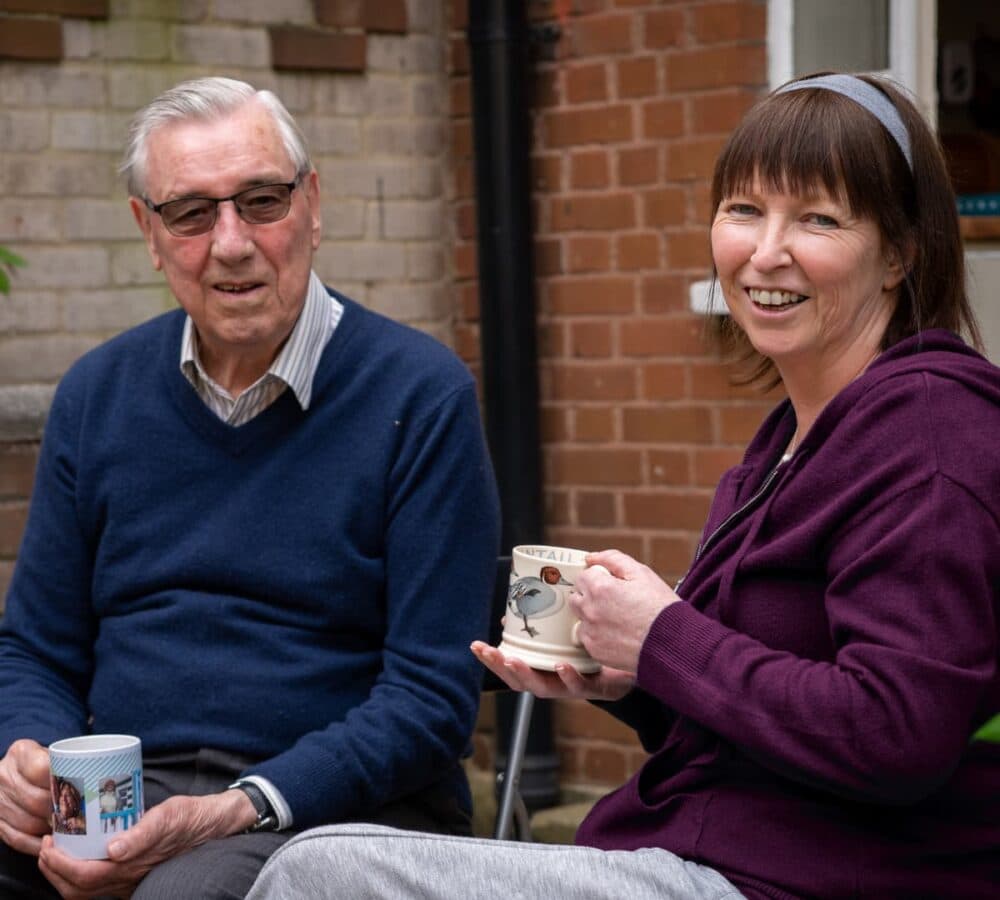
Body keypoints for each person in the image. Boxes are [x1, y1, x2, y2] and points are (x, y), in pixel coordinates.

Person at [244, 72, 1000, 899]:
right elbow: (767, 721)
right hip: (710, 853)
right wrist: (636, 682)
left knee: (320, 874)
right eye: (745, 209)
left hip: (804, 880)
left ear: (899, 253)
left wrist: (666, 637)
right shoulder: (790, 438)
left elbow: (896, 734)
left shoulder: (930, 436)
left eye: (818, 218)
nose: (766, 250)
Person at [0, 76, 500, 900]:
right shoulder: (96, 394)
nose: (231, 242)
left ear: (312, 205)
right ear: (148, 233)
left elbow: (429, 702)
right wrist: (29, 756)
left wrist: (232, 809)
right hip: (125, 795)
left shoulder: (419, 395)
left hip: (337, 810)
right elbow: (35, 647)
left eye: (261, 201)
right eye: (192, 213)